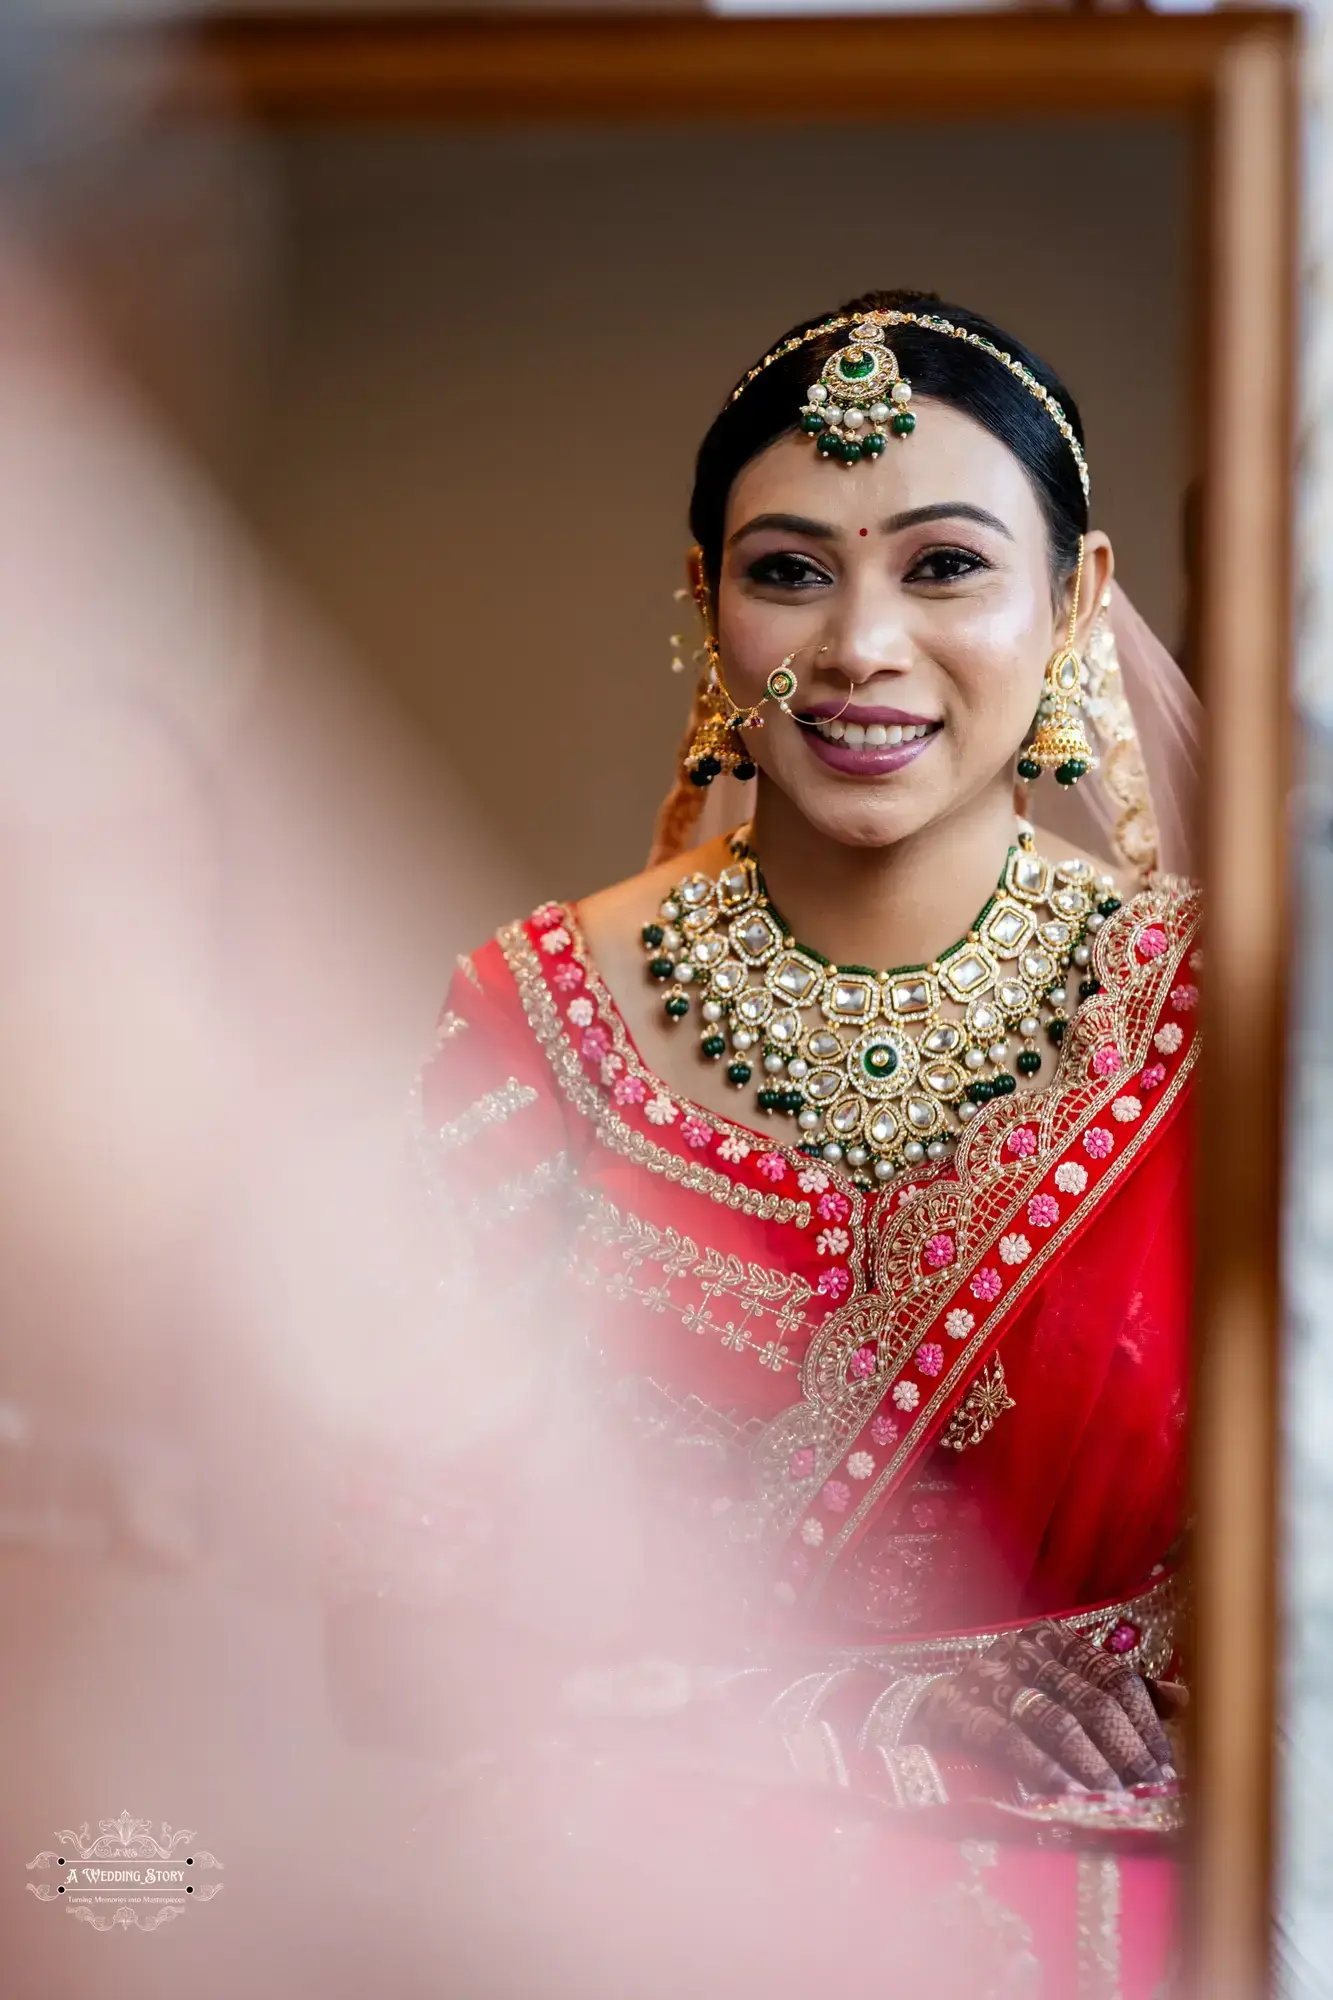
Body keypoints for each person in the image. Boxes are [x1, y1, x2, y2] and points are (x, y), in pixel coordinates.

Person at [328, 290, 1201, 1998]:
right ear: (704, 607)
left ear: (1079, 598)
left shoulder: (1217, 1025)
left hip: (1131, 1917)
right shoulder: (539, 1022)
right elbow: (391, 1637)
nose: (860, 643)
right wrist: (855, 1710)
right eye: (791, 569)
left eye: (946, 565)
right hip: (642, 1910)